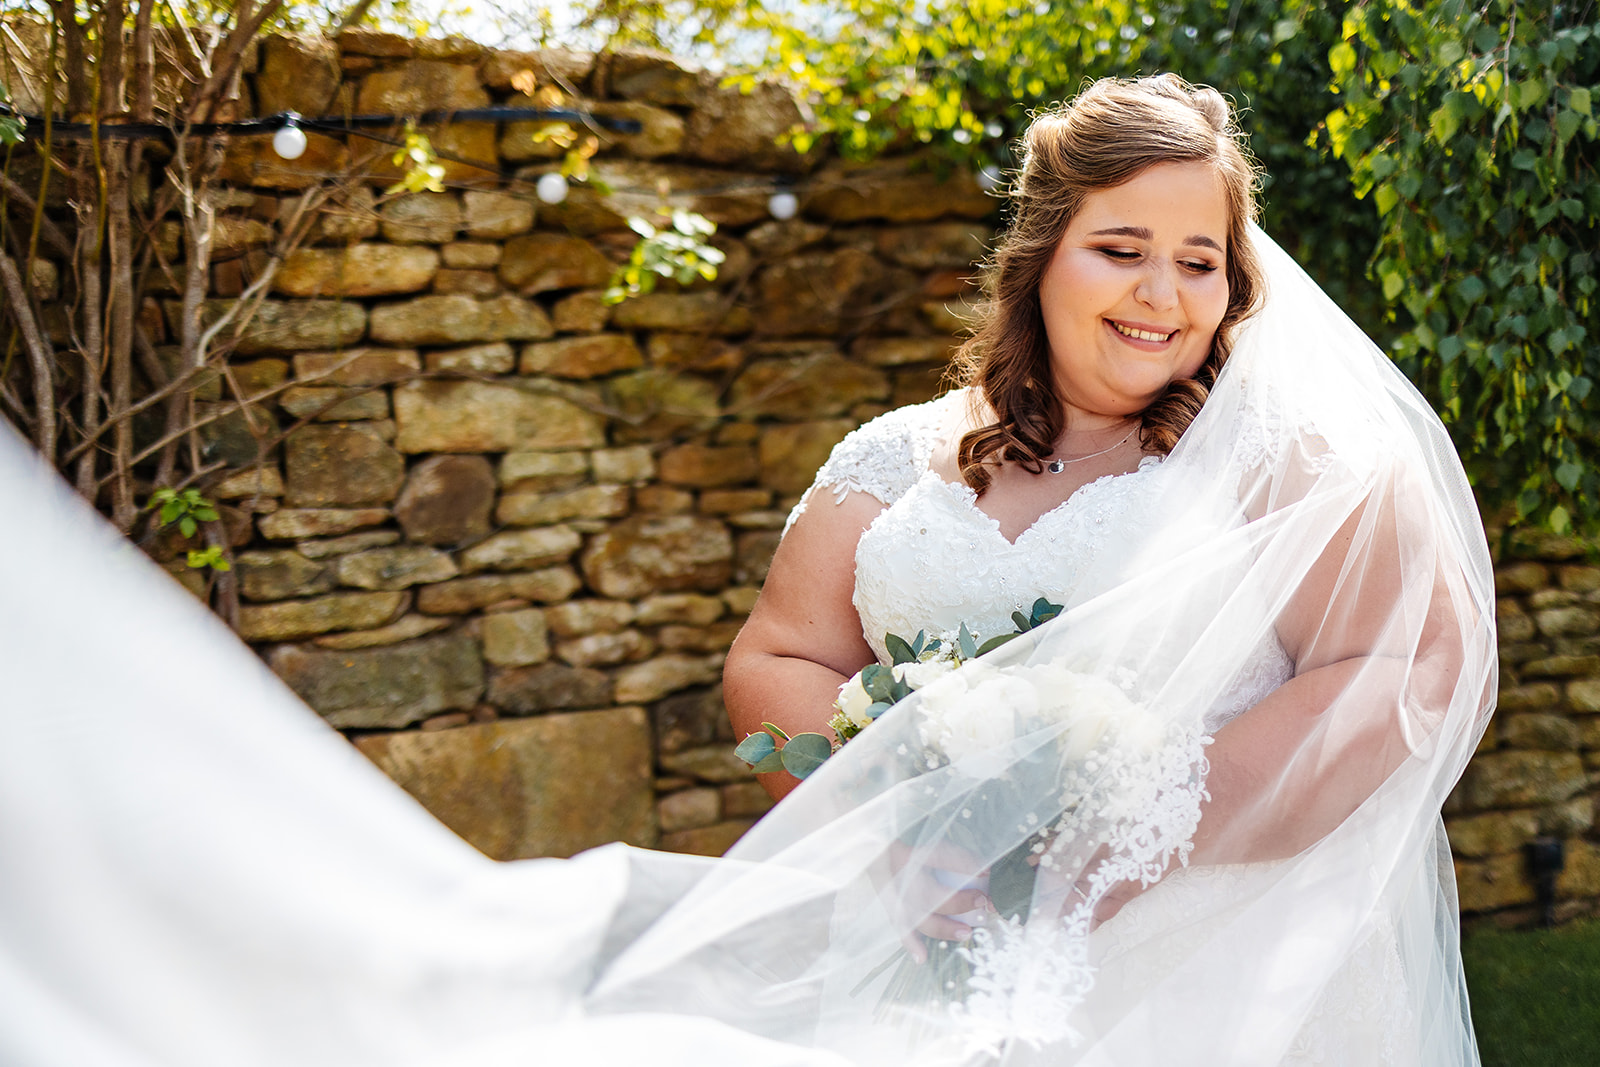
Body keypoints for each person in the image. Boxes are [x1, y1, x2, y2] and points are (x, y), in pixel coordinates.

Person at [0, 76, 1493, 1067]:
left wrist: (1102, 841)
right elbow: (778, 659)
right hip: (914, 930)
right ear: (1040, 255)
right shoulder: (894, 455)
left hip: (1208, 955)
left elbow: (1401, 674)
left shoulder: (1283, 468)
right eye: (1123, 248)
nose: (1168, 294)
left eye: (1202, 259)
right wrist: (908, 804)